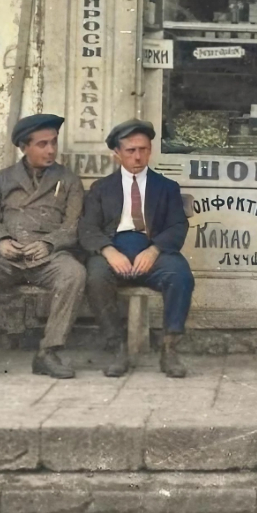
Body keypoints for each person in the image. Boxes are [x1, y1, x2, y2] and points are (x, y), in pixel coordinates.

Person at [0, 114, 86, 382]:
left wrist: (49, 243)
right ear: (23, 147)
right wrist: (1, 241)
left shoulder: (69, 180)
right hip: (7, 255)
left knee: (74, 274)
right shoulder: (2, 179)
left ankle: (49, 352)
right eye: (42, 144)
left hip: (46, 257)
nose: (50, 150)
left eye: (53, 143)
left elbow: (73, 225)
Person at [80, 119, 194, 378]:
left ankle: (170, 349)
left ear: (150, 150)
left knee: (181, 276)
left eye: (143, 149)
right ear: (117, 154)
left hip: (153, 251)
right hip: (114, 249)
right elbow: (87, 229)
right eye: (130, 150)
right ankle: (117, 348)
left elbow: (177, 226)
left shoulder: (166, 188)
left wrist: (154, 250)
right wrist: (108, 251)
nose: (138, 156)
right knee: (95, 276)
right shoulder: (101, 188)